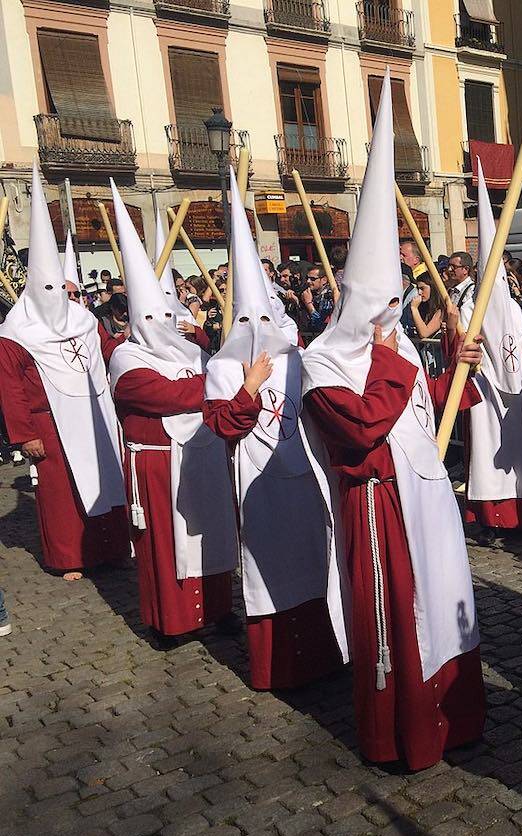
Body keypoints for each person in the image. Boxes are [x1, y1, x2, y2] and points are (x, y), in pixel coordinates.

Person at [302, 79, 486, 768]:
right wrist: (394, 364)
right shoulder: (322, 363)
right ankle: (404, 733)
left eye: (394, 306)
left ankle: (456, 719)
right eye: (379, 307)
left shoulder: (393, 347)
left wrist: (454, 376)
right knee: (405, 619)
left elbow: (418, 405)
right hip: (378, 508)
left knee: (446, 603)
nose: (390, 321)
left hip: (426, 494)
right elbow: (358, 428)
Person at [202, 173, 347, 691]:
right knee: (270, 573)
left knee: (313, 561)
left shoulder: (300, 360)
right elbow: (222, 424)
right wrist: (249, 388)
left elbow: (322, 409)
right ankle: (278, 668)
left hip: (303, 479)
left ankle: (326, 656)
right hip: (259, 487)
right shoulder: (222, 367)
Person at [108, 182, 239, 650]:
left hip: (200, 454)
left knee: (213, 533)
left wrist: (210, 343)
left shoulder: (188, 346)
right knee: (167, 545)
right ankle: (172, 620)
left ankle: (219, 608)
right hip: (161, 464)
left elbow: (207, 363)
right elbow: (172, 395)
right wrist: (226, 378)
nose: (163, 328)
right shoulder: (127, 363)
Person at [0, 166, 129, 581]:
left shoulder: (82, 317)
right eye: (48, 290)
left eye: (61, 288)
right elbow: (10, 387)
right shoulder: (16, 331)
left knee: (107, 479)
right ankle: (69, 557)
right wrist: (25, 434)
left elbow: (105, 352)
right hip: (48, 421)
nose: (58, 298)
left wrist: (135, 347)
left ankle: (110, 547)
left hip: (94, 413)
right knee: (61, 494)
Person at [459, 162, 522, 539]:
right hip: (483, 389)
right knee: (486, 454)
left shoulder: (512, 306)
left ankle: (519, 514)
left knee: (515, 453)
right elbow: (461, 343)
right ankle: (489, 517)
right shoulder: (469, 305)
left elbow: (517, 345)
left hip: (513, 393)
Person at [302, 266, 336, 334]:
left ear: (324, 280)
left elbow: (319, 324)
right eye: (307, 278)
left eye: (312, 279)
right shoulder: (311, 293)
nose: (308, 281)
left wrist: (309, 304)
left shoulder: (328, 296)